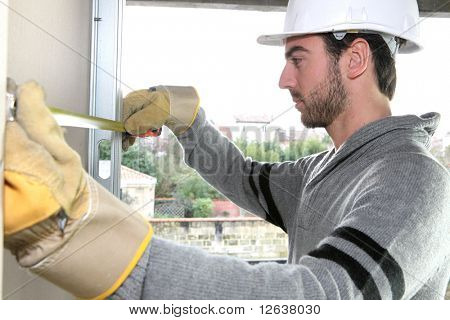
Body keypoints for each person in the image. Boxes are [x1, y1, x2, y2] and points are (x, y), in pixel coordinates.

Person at [4, 0, 450, 300]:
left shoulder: (414, 181)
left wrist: (97, 246)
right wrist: (189, 119)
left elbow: (318, 299)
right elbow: (243, 177)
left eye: (297, 59)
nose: (284, 80)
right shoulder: (326, 169)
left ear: (354, 59)